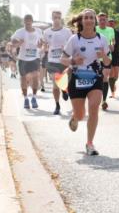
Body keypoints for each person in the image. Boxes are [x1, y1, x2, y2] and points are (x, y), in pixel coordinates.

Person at [61, 9, 110, 155]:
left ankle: (90, 144)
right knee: (81, 114)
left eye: (91, 17)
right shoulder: (74, 39)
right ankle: (75, 118)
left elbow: (108, 61)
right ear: (81, 21)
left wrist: (103, 56)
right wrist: (73, 60)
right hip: (77, 79)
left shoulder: (101, 39)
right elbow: (62, 59)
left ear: (94, 21)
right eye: (86, 18)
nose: (89, 20)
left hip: (95, 78)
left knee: (94, 108)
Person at [11, 14, 44, 109]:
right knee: (23, 78)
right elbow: (13, 42)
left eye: (29, 20)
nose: (28, 22)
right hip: (23, 58)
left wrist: (40, 45)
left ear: (32, 21)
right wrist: (18, 43)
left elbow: (41, 43)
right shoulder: (19, 32)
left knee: (35, 76)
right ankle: (26, 99)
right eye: (26, 20)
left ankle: (34, 97)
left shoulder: (38, 31)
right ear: (24, 22)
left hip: (35, 57)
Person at [43, 10, 73, 115]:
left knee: (64, 81)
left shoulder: (67, 31)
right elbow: (44, 45)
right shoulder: (46, 32)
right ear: (51, 18)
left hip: (64, 60)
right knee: (55, 84)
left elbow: (72, 45)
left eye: (58, 17)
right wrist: (42, 48)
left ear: (61, 19)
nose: (56, 19)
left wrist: (65, 49)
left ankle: (64, 89)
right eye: (54, 17)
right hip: (52, 61)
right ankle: (57, 105)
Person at [96, 12, 115, 110]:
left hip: (107, 57)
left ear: (107, 20)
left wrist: (112, 46)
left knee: (105, 77)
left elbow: (112, 42)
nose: (102, 21)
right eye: (100, 20)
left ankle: (104, 100)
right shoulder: (94, 29)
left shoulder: (111, 29)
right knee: (98, 78)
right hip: (95, 57)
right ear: (97, 20)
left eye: (104, 20)